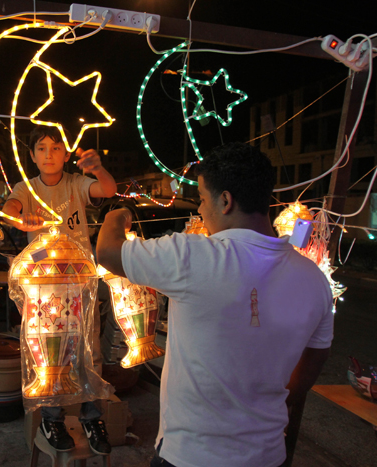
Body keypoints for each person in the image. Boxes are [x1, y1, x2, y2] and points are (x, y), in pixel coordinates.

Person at [96, 142, 333, 467]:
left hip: (190, 456)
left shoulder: (192, 256)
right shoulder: (314, 279)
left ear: (225, 201)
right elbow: (313, 361)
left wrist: (118, 214)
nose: (199, 212)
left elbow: (108, 253)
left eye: (203, 201)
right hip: (267, 456)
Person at [2, 125, 117, 455]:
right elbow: (10, 208)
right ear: (32, 155)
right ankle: (52, 418)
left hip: (80, 284)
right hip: (43, 289)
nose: (48, 154)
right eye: (41, 148)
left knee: (87, 348)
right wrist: (20, 220)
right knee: (51, 350)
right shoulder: (27, 188)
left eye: (56, 148)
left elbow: (107, 190)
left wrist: (97, 169)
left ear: (66, 155)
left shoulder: (76, 185)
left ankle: (91, 417)